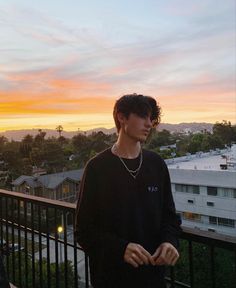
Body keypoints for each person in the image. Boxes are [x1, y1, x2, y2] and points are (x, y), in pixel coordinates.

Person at [75, 93, 182, 288]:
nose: (149, 124)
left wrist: (170, 242)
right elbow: (83, 231)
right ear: (121, 117)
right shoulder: (97, 168)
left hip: (153, 277)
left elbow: (170, 217)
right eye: (142, 116)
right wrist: (120, 249)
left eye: (152, 119)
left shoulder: (156, 164)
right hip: (111, 279)